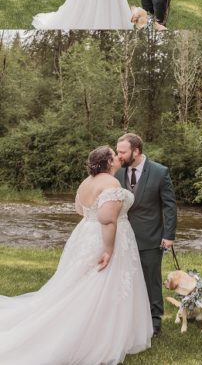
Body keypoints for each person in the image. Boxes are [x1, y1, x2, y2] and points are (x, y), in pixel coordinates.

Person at [0, 146, 152, 363]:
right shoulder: (110, 182)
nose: (118, 157)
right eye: (114, 154)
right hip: (104, 238)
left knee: (79, 281)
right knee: (102, 282)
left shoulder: (86, 182)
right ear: (108, 162)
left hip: (85, 235)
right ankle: (96, 335)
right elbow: (107, 218)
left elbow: (80, 210)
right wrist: (108, 250)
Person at [115, 133, 177, 337]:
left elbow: (169, 206)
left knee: (151, 279)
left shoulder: (160, 172)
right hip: (123, 236)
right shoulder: (117, 173)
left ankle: (154, 320)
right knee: (125, 277)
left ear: (136, 151)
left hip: (151, 236)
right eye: (117, 151)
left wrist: (168, 235)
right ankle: (129, 317)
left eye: (122, 152)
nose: (119, 155)